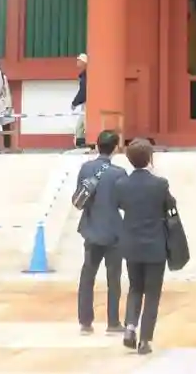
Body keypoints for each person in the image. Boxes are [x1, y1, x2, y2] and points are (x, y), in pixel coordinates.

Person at [115, 138, 175, 356]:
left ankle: (130, 327)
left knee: (135, 288)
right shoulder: (160, 184)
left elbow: (120, 204)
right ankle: (145, 340)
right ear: (150, 157)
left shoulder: (121, 184)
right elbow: (170, 205)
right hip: (155, 245)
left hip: (131, 244)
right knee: (152, 293)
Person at [76, 129, 127, 336]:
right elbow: (123, 202)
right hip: (113, 231)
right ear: (115, 148)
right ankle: (113, 322)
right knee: (113, 278)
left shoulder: (86, 168)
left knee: (87, 276)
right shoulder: (119, 173)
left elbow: (80, 197)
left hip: (91, 228)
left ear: (97, 146)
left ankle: (85, 322)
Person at [0, 65, 15, 153]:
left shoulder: (3, 77)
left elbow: (7, 91)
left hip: (3, 104)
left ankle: (7, 147)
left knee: (6, 127)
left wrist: (9, 105)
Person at [71, 54, 88, 147]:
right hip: (85, 104)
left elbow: (83, 91)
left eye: (79, 60)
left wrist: (75, 103)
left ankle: (82, 144)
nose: (77, 62)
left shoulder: (86, 75)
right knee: (81, 125)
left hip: (88, 104)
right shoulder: (84, 75)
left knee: (83, 125)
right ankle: (80, 144)